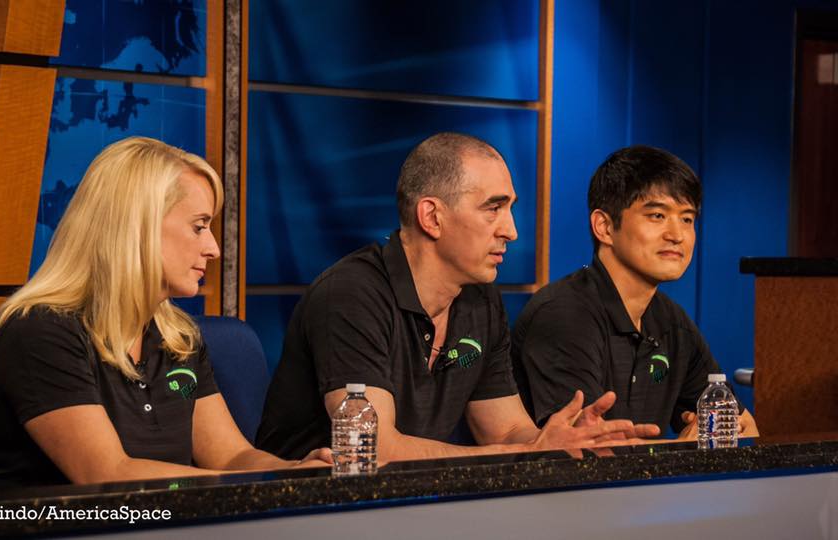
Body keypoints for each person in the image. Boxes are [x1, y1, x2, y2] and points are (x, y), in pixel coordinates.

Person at [255, 133, 659, 462]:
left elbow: (503, 430)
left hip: (417, 510)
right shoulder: (351, 294)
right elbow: (374, 448)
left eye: (510, 209)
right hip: (308, 512)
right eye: (493, 209)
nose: (511, 231)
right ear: (432, 217)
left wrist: (553, 441)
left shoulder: (480, 300)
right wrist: (520, 450)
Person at [0, 137, 329, 489]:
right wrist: (248, 484)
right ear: (138, 227)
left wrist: (291, 472)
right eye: (199, 226)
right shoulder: (40, 332)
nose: (214, 249)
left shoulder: (179, 338)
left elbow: (231, 457)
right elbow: (106, 475)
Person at [511, 145, 758, 439]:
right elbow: (588, 449)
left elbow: (744, 427)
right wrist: (682, 450)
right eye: (657, 215)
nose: (677, 235)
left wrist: (703, 432)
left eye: (687, 219)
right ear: (604, 226)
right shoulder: (562, 314)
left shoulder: (671, 321)